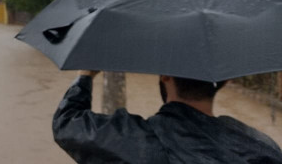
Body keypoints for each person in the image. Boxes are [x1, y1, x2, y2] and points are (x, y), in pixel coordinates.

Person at [53, 70, 282, 163]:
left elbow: (66, 122)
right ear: (225, 81)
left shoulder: (132, 141)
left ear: (165, 76)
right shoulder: (262, 149)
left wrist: (85, 76)